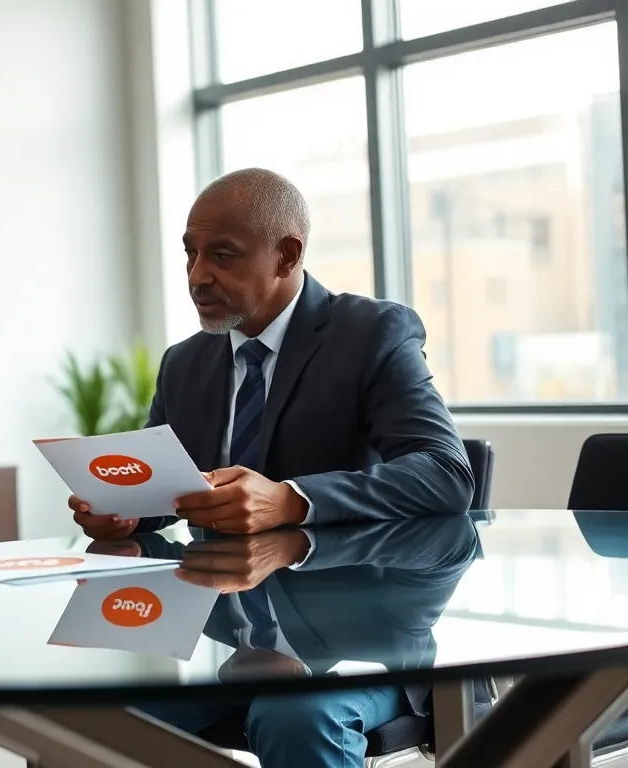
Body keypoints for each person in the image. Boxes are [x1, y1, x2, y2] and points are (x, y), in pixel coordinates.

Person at [70, 168, 474, 541]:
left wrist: (290, 500)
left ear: (287, 256)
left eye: (222, 255)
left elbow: (445, 474)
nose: (197, 276)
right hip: (224, 603)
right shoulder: (182, 364)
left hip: (343, 599)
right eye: (191, 253)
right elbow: (166, 488)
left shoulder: (372, 334)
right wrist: (128, 512)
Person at [125, 516, 479, 768]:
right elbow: (153, 489)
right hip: (247, 655)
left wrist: (296, 532)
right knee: (108, 714)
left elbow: (455, 540)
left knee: (295, 715)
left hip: (367, 665)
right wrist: (128, 521)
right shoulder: (197, 411)